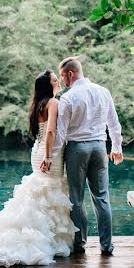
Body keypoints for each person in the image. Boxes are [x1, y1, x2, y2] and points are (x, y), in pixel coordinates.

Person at [0, 70, 78, 266]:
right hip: (49, 153)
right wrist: (49, 156)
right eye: (55, 81)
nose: (58, 83)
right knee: (48, 190)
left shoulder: (38, 105)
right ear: (48, 86)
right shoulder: (53, 103)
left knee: (42, 191)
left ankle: (45, 236)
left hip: (38, 150)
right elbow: (50, 131)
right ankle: (39, 239)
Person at [42, 56, 123, 256]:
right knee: (102, 198)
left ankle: (80, 244)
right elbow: (114, 123)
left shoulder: (69, 98)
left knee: (76, 199)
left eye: (62, 76)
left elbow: (60, 134)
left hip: (77, 149)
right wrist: (117, 147)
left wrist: (50, 156)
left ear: (70, 73)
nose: (62, 81)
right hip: (99, 147)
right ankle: (107, 246)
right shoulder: (103, 92)